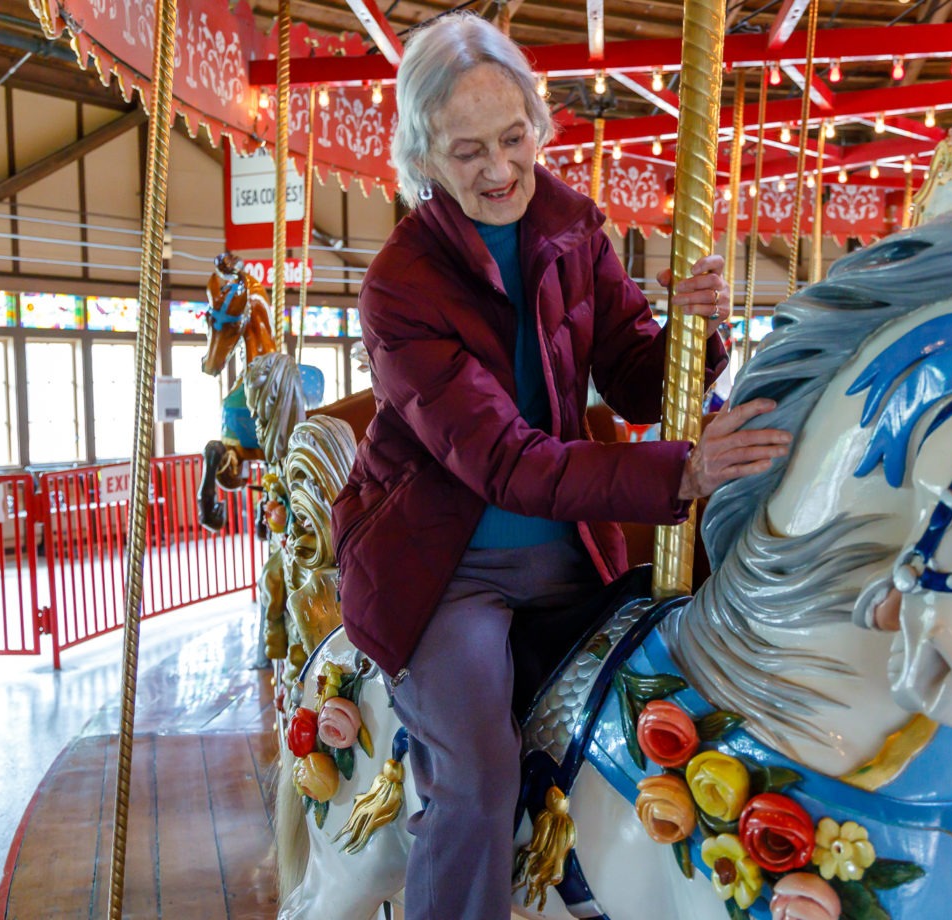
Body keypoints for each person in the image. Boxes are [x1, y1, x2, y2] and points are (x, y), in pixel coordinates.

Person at [328, 14, 791, 920]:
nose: (499, 171)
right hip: (444, 571)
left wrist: (695, 331)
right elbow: (505, 462)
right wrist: (683, 477)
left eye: (513, 140)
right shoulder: (398, 287)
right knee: (478, 780)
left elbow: (633, 380)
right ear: (424, 156)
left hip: (573, 547)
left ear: (540, 127)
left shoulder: (573, 228)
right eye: (468, 153)